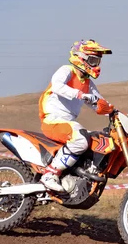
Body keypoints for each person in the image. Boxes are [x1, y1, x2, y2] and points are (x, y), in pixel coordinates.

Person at [38, 39, 115, 192]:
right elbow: (58, 86)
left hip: (66, 123)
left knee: (93, 138)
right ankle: (49, 174)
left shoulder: (87, 83)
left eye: (98, 61)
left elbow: (100, 103)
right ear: (81, 58)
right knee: (80, 137)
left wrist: (116, 113)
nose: (96, 65)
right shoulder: (66, 70)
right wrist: (80, 94)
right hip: (52, 119)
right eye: (93, 60)